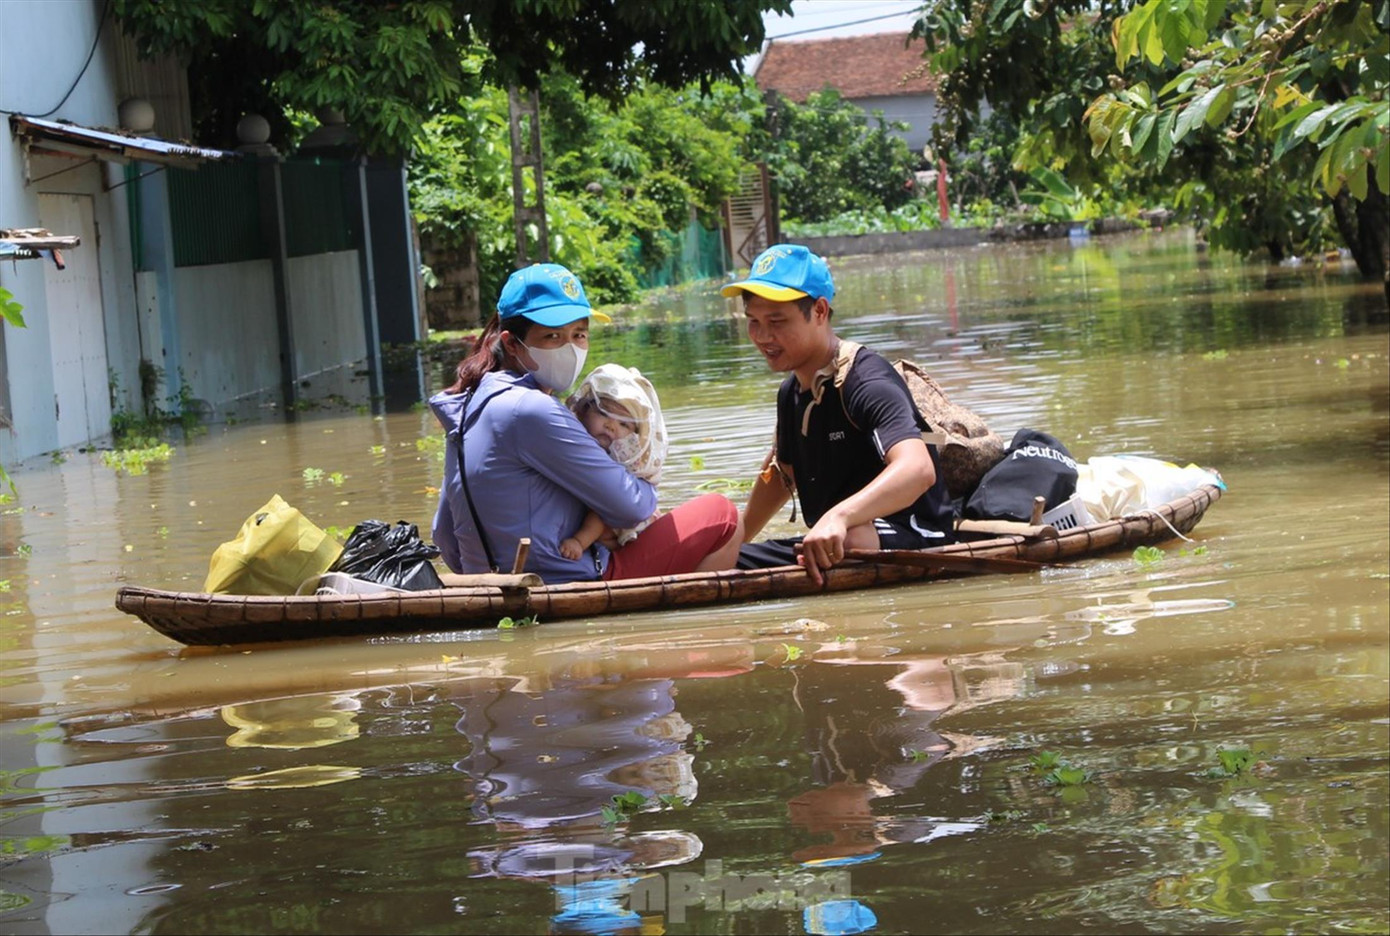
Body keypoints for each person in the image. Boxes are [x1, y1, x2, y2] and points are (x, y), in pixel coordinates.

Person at [430, 263, 741, 584]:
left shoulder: (468, 406)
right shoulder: (533, 409)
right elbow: (630, 507)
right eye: (552, 336)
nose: (570, 348)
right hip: (569, 577)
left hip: (491, 579)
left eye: (578, 335)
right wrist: (643, 486)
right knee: (722, 515)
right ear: (511, 343)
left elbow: (445, 537)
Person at [726, 244, 955, 584]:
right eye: (754, 322)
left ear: (819, 311)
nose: (762, 336)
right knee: (717, 555)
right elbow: (782, 472)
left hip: (915, 537)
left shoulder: (866, 381)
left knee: (850, 537)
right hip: (832, 541)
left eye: (776, 321)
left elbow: (918, 469)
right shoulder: (791, 391)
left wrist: (838, 517)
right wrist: (733, 543)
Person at [561, 364, 667, 559]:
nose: (611, 426)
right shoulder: (575, 444)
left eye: (623, 424)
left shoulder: (622, 455)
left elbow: (608, 505)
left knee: (604, 505)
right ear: (584, 411)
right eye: (603, 413)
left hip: (620, 522)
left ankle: (580, 541)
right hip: (605, 528)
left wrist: (579, 540)